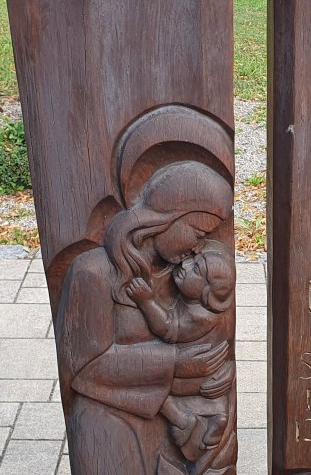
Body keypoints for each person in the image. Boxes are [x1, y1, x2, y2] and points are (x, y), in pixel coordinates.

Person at [55, 162, 236, 475]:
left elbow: (213, 332)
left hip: (182, 424)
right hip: (110, 425)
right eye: (197, 233)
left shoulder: (184, 279)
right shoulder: (93, 272)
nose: (198, 247)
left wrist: (222, 369)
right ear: (166, 218)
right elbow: (82, 365)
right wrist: (175, 363)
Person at [126, 240, 236, 462]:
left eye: (196, 269)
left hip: (192, 375)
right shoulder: (214, 314)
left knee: (151, 386)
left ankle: (181, 421)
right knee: (214, 394)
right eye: (193, 261)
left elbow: (167, 328)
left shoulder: (197, 316)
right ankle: (218, 416)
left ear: (207, 293)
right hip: (207, 375)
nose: (186, 265)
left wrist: (146, 301)